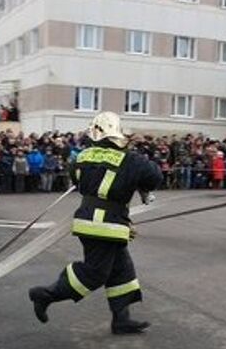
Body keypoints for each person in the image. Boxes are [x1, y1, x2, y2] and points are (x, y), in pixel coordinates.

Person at [28, 111, 163, 335]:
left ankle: (121, 319)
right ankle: (46, 295)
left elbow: (77, 180)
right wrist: (136, 152)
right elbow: (154, 177)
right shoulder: (129, 159)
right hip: (107, 226)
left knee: (121, 269)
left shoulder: (81, 156)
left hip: (90, 221)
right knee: (95, 273)